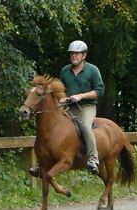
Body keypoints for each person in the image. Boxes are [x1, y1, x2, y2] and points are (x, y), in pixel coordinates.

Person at [28, 40, 105, 177]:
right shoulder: (65, 70)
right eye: (72, 54)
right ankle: (43, 164)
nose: (74, 56)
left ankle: (93, 159)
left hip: (87, 106)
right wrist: (62, 98)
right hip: (69, 106)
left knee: (85, 127)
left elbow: (100, 91)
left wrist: (82, 96)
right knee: (53, 127)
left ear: (84, 56)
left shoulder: (92, 70)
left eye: (77, 53)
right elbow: (60, 89)